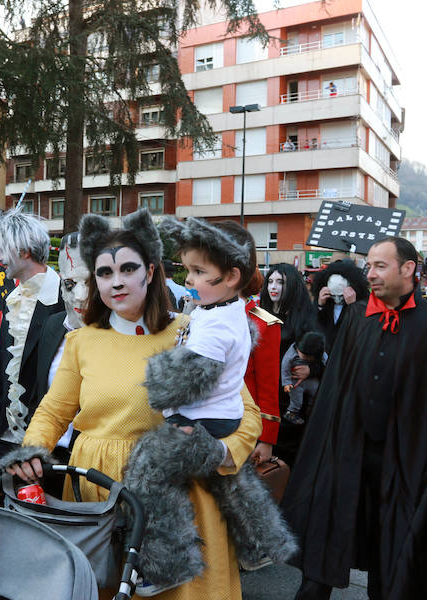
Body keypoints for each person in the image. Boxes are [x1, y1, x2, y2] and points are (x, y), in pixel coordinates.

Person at [1, 209, 264, 600]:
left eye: (128, 269)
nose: (116, 282)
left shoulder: (191, 331)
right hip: (98, 493)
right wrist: (30, 451)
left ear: (152, 272)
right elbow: (54, 411)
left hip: (179, 493)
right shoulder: (81, 341)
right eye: (105, 273)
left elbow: (245, 412)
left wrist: (218, 450)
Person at [282, 237, 427, 600]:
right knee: (327, 535)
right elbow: (337, 386)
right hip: (349, 453)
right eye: (369, 266)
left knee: (394, 548)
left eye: (380, 266)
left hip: (405, 462)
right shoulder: (358, 317)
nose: (370, 274)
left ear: (409, 268)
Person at [115, 216, 294, 594]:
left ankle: (166, 563)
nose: (191, 279)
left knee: (146, 474)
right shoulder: (225, 311)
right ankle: (260, 542)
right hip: (217, 421)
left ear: (230, 276)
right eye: (188, 269)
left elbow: (176, 384)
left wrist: (158, 371)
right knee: (233, 487)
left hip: (202, 425)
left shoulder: (215, 326)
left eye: (198, 271)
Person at [0, 207, 64, 463]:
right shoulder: (12, 299)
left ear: (24, 251)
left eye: (4, 250)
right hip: (5, 437)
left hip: (47, 441)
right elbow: (4, 363)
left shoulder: (65, 300)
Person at [34, 232, 90, 496]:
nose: (80, 295)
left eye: (90, 282)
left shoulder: (129, 335)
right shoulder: (52, 326)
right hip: (52, 459)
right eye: (70, 283)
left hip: (98, 468)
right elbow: (45, 400)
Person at [259, 264, 318, 466]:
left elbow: (324, 357)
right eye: (270, 281)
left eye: (280, 282)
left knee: (286, 458)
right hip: (261, 396)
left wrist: (312, 369)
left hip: (291, 399)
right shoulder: (258, 315)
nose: (273, 287)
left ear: (292, 285)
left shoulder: (306, 319)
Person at [310, 260, 369, 354]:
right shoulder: (325, 302)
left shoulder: (362, 303)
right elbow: (314, 325)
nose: (337, 299)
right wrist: (319, 305)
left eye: (340, 296)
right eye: (333, 295)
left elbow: (363, 328)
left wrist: (353, 306)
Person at [280, 331, 325, 425]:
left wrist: (313, 369)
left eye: (310, 357)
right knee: (297, 399)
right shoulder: (291, 355)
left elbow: (327, 361)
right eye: (304, 356)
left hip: (310, 378)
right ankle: (291, 413)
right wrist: (286, 383)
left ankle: (312, 411)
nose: (307, 359)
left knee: (317, 391)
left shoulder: (320, 352)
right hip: (295, 381)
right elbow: (285, 368)